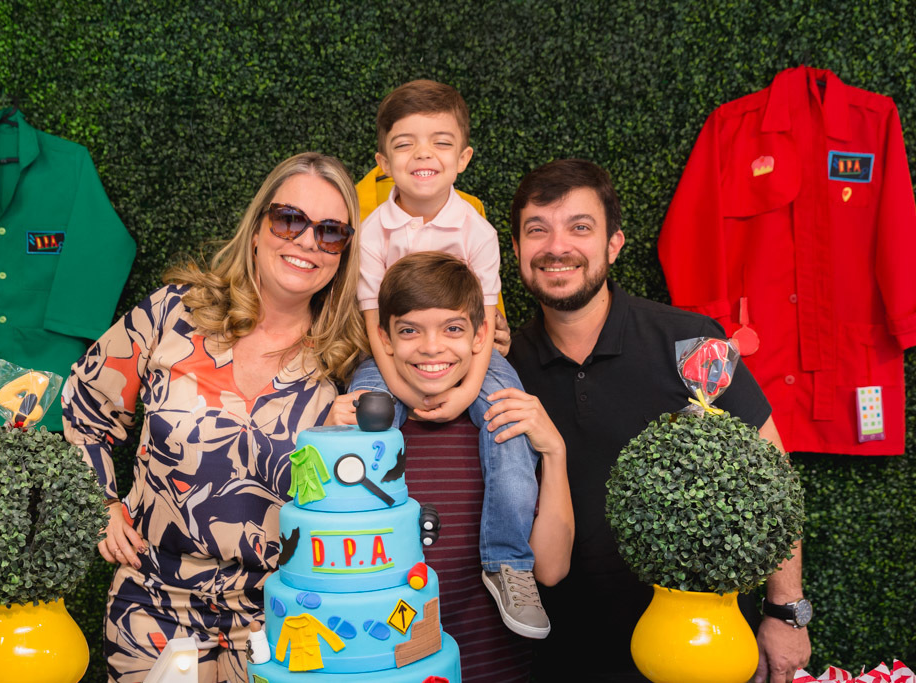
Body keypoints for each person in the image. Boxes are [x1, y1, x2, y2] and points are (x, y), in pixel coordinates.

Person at [61, 152, 368, 683]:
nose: (306, 242)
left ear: (343, 252)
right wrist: (103, 502)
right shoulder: (174, 312)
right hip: (151, 609)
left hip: (282, 622)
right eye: (289, 219)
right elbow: (84, 400)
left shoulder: (349, 358)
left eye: (330, 231)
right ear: (256, 228)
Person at [505, 158, 812, 683]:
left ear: (613, 244)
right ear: (515, 250)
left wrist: (786, 610)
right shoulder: (501, 367)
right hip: (554, 652)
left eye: (580, 227)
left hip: (695, 647)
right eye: (538, 230)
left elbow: (772, 475)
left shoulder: (692, 341)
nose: (557, 247)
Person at [350, 79, 549, 638]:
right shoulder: (372, 233)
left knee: (509, 426)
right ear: (383, 162)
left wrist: (467, 393)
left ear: (462, 158)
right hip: (392, 356)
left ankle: (508, 563)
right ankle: (364, 553)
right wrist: (405, 392)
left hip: (471, 356)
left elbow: (484, 325)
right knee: (361, 419)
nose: (422, 155)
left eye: (440, 142)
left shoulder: (476, 230)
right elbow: (372, 324)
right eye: (405, 143)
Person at [328, 251, 574, 682]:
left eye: (453, 329)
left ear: (480, 336)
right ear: (384, 339)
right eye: (409, 331)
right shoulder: (365, 433)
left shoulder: (505, 426)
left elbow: (551, 570)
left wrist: (555, 454)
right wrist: (330, 445)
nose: (431, 347)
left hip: (493, 665)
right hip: (386, 664)